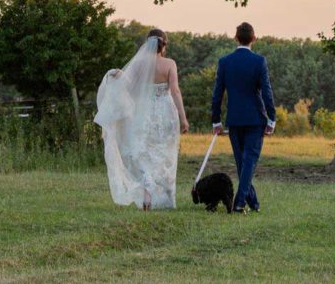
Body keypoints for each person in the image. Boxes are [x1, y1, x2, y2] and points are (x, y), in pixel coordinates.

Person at [94, 28, 190, 210]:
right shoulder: (170, 64)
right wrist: (183, 117)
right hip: (165, 113)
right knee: (165, 154)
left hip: (144, 114)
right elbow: (175, 90)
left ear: (147, 44)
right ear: (164, 45)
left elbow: (129, 84)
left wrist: (119, 74)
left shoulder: (139, 64)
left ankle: (147, 196)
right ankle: (167, 199)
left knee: (146, 153)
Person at [211, 22, 276, 213]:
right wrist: (271, 118)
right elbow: (267, 92)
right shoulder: (259, 61)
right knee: (248, 161)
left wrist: (216, 120)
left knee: (243, 162)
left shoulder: (225, 61)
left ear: (235, 38)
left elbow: (217, 94)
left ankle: (252, 202)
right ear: (254, 39)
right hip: (256, 118)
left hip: (235, 119)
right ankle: (240, 202)